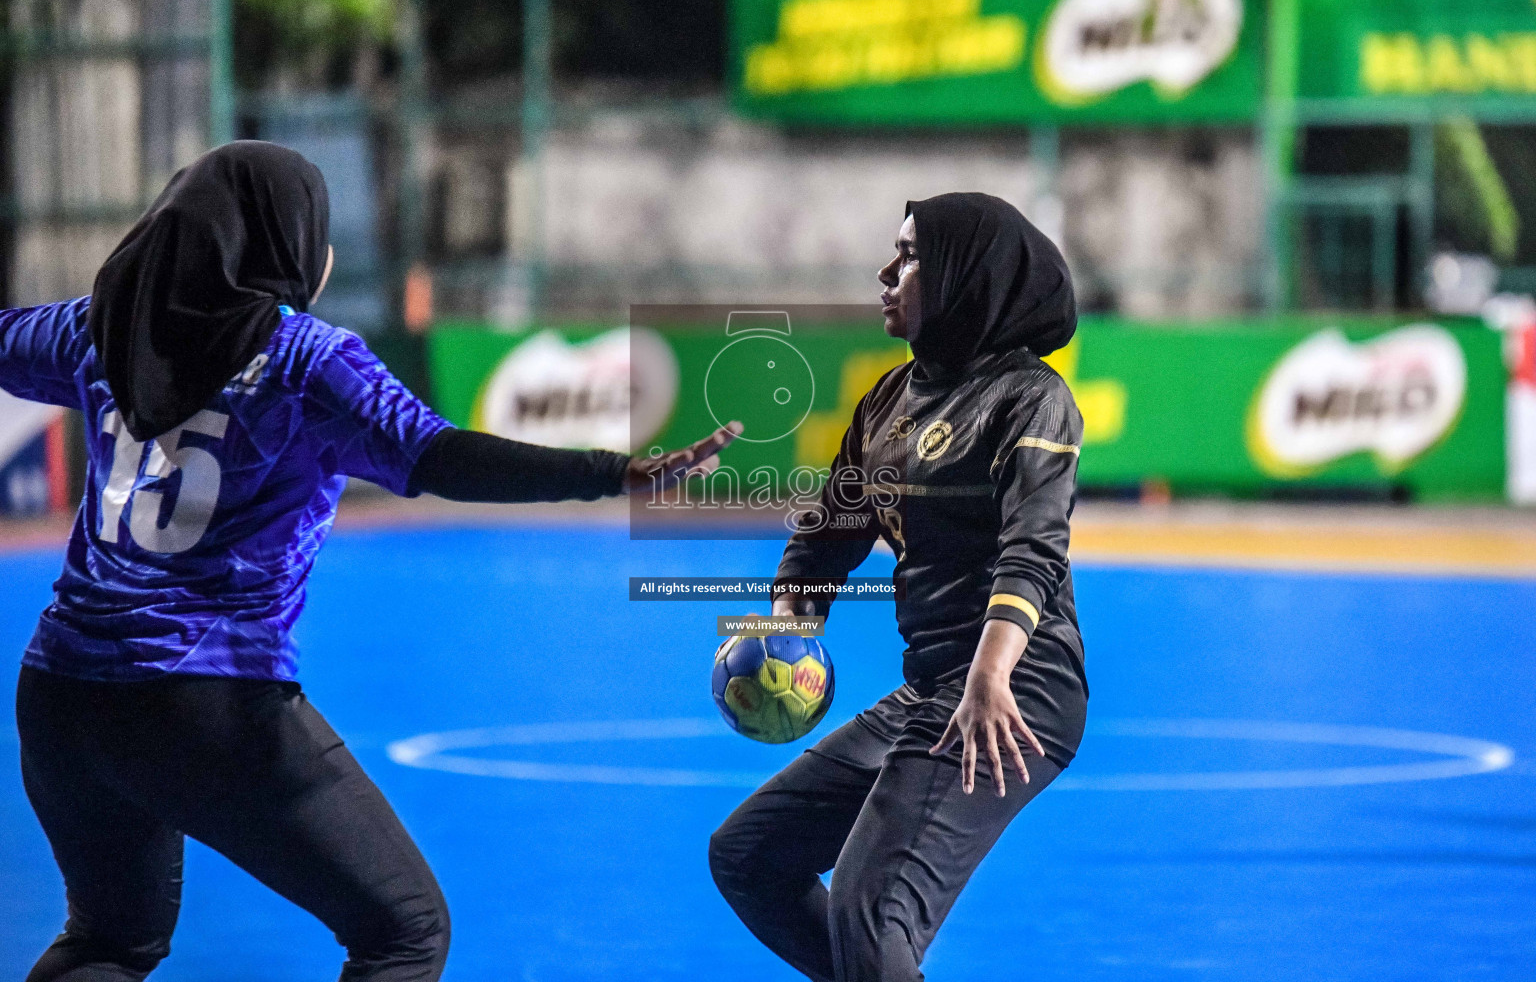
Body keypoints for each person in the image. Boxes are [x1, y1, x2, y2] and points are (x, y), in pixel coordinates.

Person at [0, 140, 737, 982]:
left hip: (58, 694)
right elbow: (442, 458)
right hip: (204, 698)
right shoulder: (305, 362)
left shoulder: (100, 327)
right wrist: (613, 472)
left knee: (108, 941)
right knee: (403, 930)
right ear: (281, 246)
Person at [709, 192, 1088, 982]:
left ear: (962, 277)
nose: (887, 270)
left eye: (911, 255)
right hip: (932, 690)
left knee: (871, 905)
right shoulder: (889, 398)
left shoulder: (1031, 398)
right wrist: (787, 625)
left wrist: (988, 676)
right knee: (749, 856)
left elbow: (1033, 550)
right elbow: (826, 537)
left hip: (1018, 687)